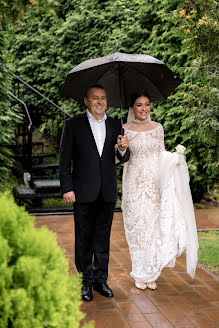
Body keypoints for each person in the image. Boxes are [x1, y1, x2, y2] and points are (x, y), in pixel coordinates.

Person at [59, 84, 130, 301]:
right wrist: (67, 188)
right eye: (95, 98)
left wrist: (123, 148)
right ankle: (85, 282)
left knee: (102, 239)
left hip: (107, 191)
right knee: (83, 240)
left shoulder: (117, 125)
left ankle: (100, 280)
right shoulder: (73, 125)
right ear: (86, 101)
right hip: (82, 192)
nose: (100, 102)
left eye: (103, 98)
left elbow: (123, 158)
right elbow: (64, 161)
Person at [122, 92, 198, 290]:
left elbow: (161, 154)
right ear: (132, 108)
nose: (144, 109)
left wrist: (175, 159)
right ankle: (139, 273)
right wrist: (121, 148)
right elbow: (119, 159)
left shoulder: (158, 128)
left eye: (147, 104)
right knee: (137, 229)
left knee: (153, 229)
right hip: (134, 186)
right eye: (139, 105)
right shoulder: (124, 130)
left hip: (154, 185)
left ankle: (151, 272)